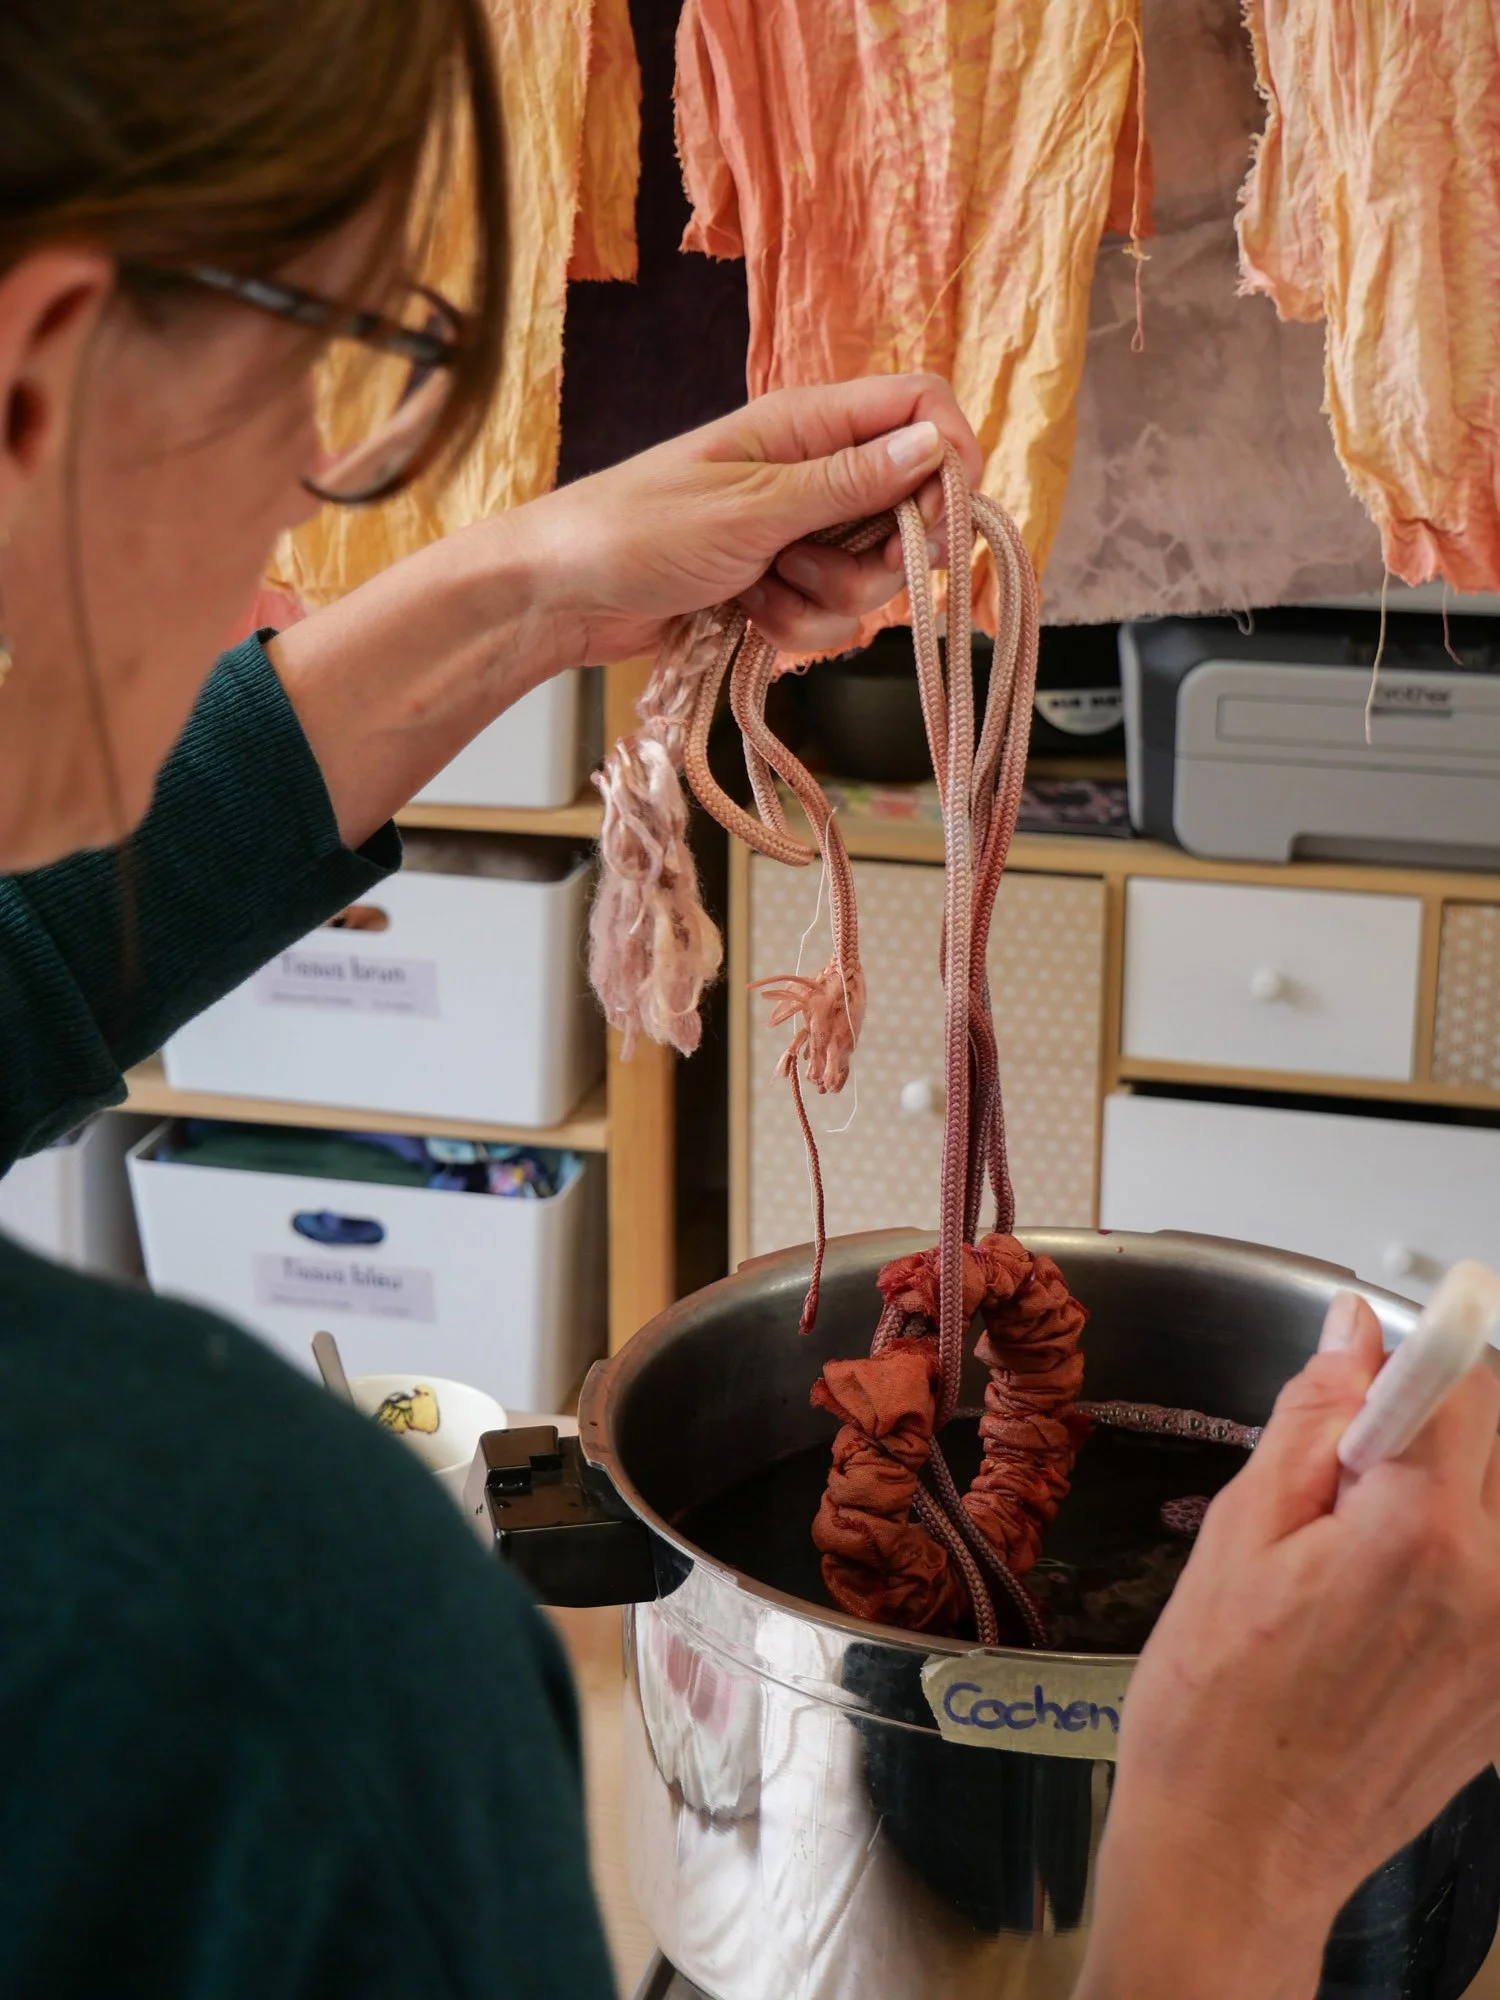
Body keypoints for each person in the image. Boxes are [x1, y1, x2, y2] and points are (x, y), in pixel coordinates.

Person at [1, 5, 1498, 1996]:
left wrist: (532, 585)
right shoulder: (273, 1659)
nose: (319, 468)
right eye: (337, 360)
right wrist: (1222, 1856)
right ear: (40, 374)